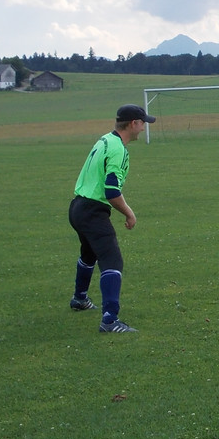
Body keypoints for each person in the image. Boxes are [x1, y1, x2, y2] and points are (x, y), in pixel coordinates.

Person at [68, 104, 155, 332]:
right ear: (133, 123)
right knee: (112, 260)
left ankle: (80, 298)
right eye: (142, 123)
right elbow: (112, 191)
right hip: (92, 211)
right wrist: (129, 213)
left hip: (77, 207)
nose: (144, 128)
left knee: (89, 253)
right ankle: (109, 320)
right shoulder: (118, 149)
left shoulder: (105, 139)